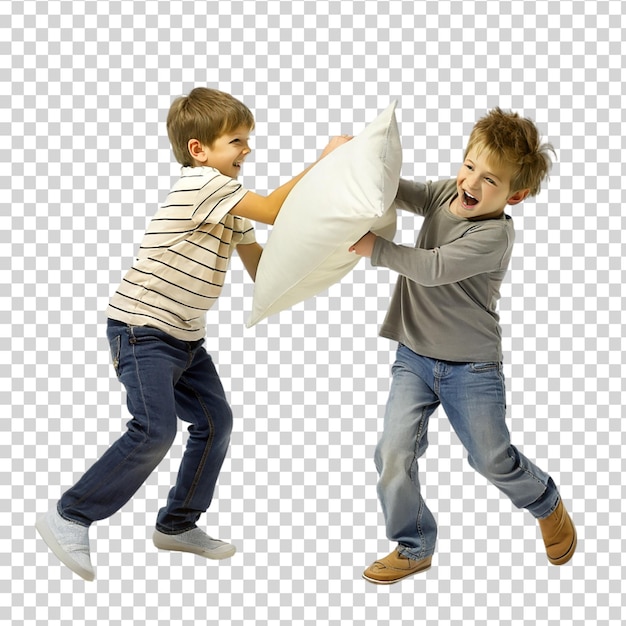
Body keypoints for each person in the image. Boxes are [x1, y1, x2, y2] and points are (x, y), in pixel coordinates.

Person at [36, 87, 347, 581]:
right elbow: (271, 209)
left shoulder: (229, 204)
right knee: (154, 430)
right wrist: (325, 163)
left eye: (248, 140)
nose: (248, 150)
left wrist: (333, 252)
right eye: (237, 141)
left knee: (214, 420)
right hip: (141, 329)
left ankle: (177, 525)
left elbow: (262, 268)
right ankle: (70, 514)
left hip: (184, 338)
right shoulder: (202, 184)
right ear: (200, 150)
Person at [349, 108, 576, 584]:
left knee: (491, 458)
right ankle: (414, 545)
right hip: (414, 356)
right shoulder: (445, 195)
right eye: (468, 165)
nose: (470, 182)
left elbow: (432, 267)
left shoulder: (493, 236)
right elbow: (396, 190)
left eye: (489, 179)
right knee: (392, 452)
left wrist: (376, 248)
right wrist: (353, 159)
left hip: (470, 367)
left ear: (516, 194)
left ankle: (545, 501)